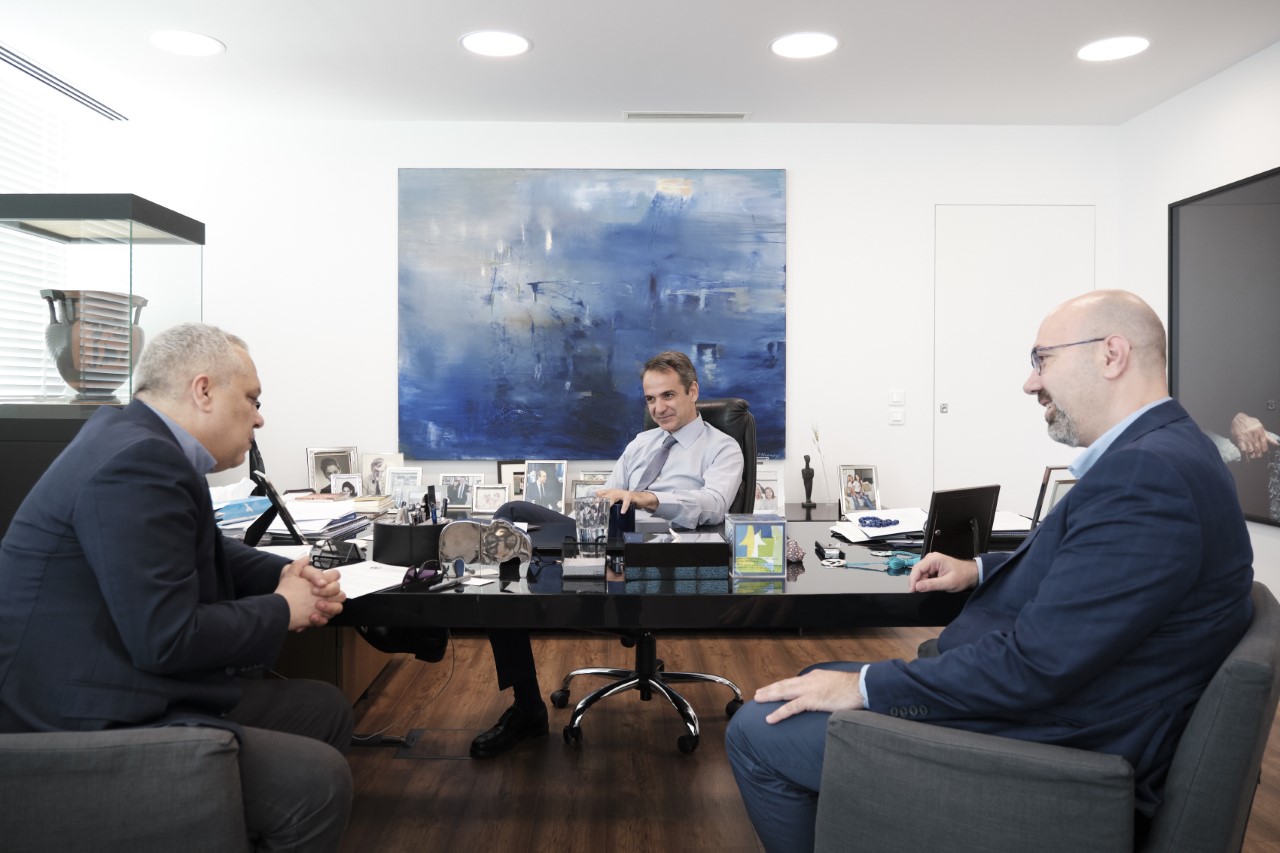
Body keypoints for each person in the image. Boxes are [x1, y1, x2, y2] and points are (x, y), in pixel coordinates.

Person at [725, 290, 1254, 852]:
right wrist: (978, 568)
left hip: (1056, 745)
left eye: (1042, 359)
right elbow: (1097, 573)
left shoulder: (1147, 475)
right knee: (816, 677)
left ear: (1111, 355)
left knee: (757, 730)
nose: (1031, 383)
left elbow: (1034, 666)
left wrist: (864, 686)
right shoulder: (1173, 450)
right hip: (1070, 709)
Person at [0, 323, 354, 852]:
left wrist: (280, 575)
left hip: (108, 680)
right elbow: (167, 636)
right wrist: (283, 608)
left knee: (323, 707)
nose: (259, 418)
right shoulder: (137, 463)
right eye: (252, 399)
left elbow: (203, 548)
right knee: (317, 783)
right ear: (203, 390)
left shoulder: (136, 441)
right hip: (78, 718)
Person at [472, 350, 745, 759]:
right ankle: (526, 703)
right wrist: (591, 515)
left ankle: (530, 587)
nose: (658, 408)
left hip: (666, 551)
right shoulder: (642, 442)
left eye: (668, 395)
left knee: (535, 563)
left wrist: (648, 499)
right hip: (614, 539)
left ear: (693, 391)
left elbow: (714, 505)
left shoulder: (722, 448)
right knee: (510, 519)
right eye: (650, 399)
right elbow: (610, 498)